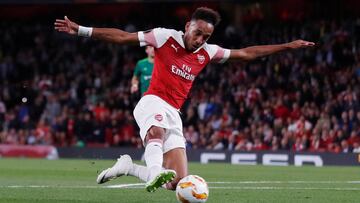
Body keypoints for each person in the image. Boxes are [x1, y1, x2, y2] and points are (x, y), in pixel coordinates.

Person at [54, 7, 315, 192]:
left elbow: (246, 54)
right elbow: (122, 37)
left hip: (174, 113)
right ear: (188, 26)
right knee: (155, 132)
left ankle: (129, 168)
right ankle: (153, 173)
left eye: (206, 37)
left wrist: (287, 46)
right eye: (198, 32)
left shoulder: (207, 52)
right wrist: (82, 31)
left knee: (177, 183)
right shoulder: (165, 36)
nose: (200, 40)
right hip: (152, 101)